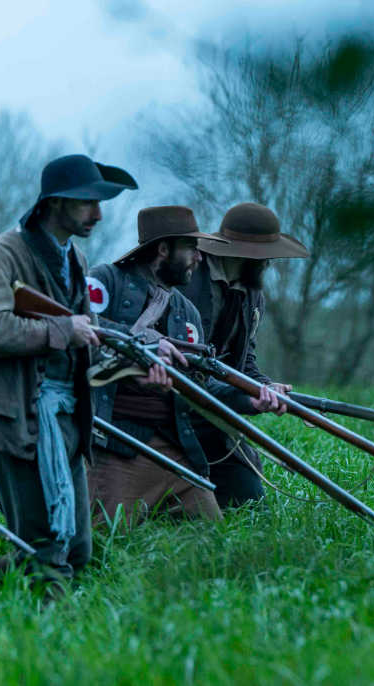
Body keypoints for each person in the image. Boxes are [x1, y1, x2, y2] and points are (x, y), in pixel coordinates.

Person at [0, 154, 137, 590]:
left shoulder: (72, 255)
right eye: (87, 203)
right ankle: (46, 647)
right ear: (55, 203)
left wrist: (146, 346)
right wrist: (63, 329)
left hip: (64, 421)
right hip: (16, 422)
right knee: (46, 555)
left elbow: (87, 329)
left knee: (76, 549)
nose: (97, 214)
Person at [85, 205, 284, 524]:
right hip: (114, 436)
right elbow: (78, 327)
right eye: (191, 248)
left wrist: (251, 396)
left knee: (211, 536)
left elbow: (202, 383)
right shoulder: (106, 280)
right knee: (100, 541)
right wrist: (144, 346)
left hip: (175, 438)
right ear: (163, 250)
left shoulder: (184, 310)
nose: (199, 257)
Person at [177, 202, 309, 508]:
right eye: (266, 255)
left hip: (217, 419)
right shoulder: (187, 281)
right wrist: (246, 399)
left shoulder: (252, 293)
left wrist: (265, 385)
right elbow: (186, 370)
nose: (270, 262)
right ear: (246, 252)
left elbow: (244, 361)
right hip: (174, 416)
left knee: (250, 504)